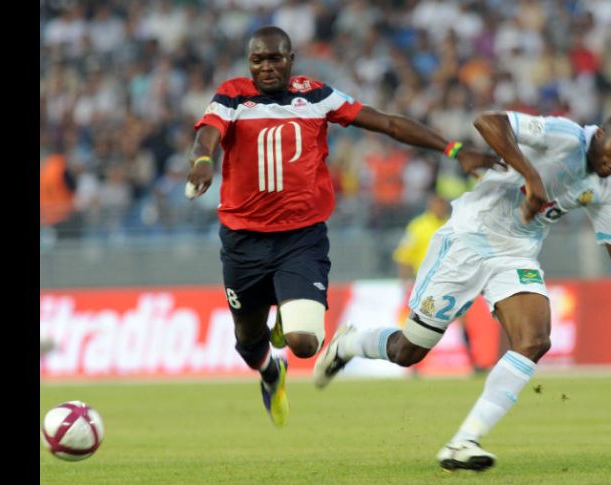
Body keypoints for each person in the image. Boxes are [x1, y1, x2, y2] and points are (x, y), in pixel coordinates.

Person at [313, 110, 611, 470]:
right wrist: (531, 176)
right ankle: (348, 344)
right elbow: (489, 121)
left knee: (534, 340)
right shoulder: (564, 136)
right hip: (469, 239)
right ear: (601, 135)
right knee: (408, 351)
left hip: (516, 255)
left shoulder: (605, 189)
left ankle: (464, 441)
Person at [185, 26, 499, 428]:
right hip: (243, 240)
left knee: (304, 343)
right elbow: (207, 136)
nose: (266, 67)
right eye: (258, 59)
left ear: (291, 59)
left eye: (275, 58)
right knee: (249, 342)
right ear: (250, 63)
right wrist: (202, 161)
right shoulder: (233, 94)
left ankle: (289, 312)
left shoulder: (315, 96)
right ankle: (269, 373)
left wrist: (454, 149)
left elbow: (385, 123)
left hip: (301, 238)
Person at [392, 193, 486, 374]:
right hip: (427, 285)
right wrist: (405, 283)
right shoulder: (418, 226)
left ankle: (473, 362)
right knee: (421, 325)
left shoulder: (452, 225)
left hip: (452, 281)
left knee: (462, 322)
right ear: (430, 205)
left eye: (442, 205)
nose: (440, 208)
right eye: (437, 205)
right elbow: (404, 255)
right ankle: (413, 367)